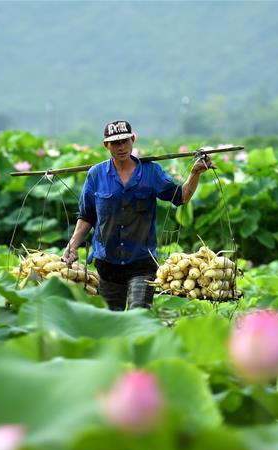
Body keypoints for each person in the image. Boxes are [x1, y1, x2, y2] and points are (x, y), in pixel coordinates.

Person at [63, 120, 213, 310]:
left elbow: (181, 196)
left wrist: (195, 173)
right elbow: (87, 215)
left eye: (125, 141)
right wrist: (72, 245)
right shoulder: (96, 174)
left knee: (138, 312)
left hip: (141, 261)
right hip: (107, 262)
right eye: (115, 143)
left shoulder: (151, 172)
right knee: (112, 318)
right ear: (106, 145)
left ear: (133, 139)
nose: (121, 147)